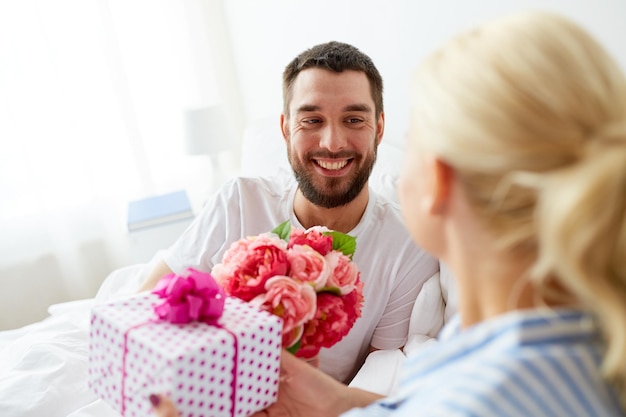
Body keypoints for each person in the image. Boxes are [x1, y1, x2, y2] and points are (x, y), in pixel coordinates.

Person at [150, 10, 626, 416]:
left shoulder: (485, 392)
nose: (333, 143)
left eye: (410, 140)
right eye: (312, 119)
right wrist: (332, 400)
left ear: (436, 180)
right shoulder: (547, 346)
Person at [138, 41, 443, 384]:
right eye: (312, 120)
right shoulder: (240, 200)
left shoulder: (407, 246)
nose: (331, 143)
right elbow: (147, 302)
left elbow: (376, 377)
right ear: (285, 129)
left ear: (380, 128)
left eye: (354, 119)